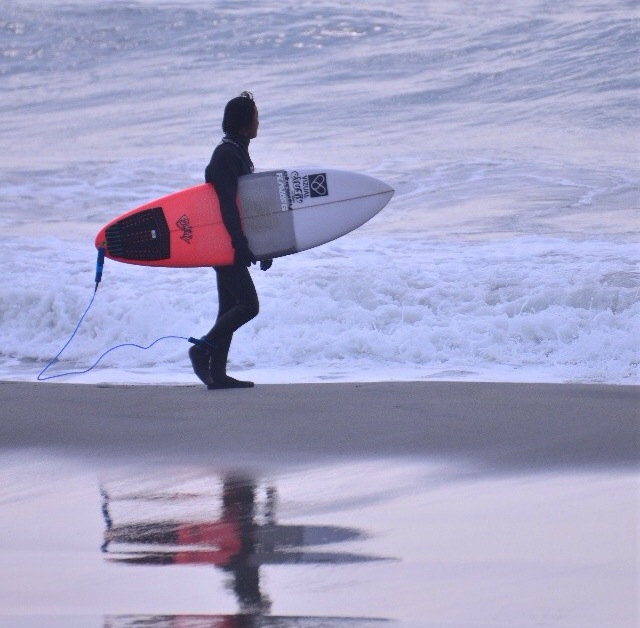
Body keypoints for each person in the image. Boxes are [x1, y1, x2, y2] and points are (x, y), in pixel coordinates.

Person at [189, 92, 272, 389]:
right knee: (249, 305)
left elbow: (246, 206)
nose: (258, 122)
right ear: (243, 123)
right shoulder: (226, 155)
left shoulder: (238, 150)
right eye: (255, 117)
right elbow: (226, 203)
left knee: (229, 308)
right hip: (222, 242)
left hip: (230, 239)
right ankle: (201, 349)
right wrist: (238, 244)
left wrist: (264, 246)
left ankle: (218, 375)